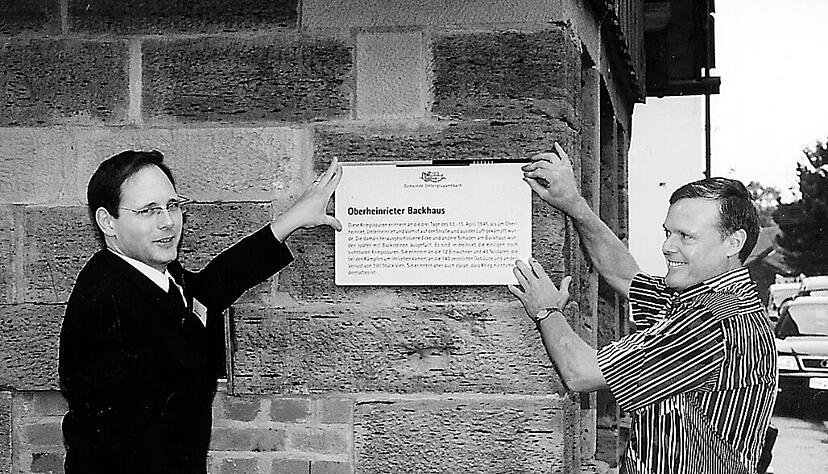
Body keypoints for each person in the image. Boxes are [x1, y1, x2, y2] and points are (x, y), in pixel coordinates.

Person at [58, 150, 342, 473]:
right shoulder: (104, 303)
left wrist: (289, 221)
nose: (167, 222)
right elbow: (131, 448)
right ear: (107, 222)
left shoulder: (151, 273)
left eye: (172, 206)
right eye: (148, 211)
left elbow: (208, 290)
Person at [508, 143, 777, 474]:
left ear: (733, 243)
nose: (667, 246)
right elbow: (623, 274)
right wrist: (574, 204)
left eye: (685, 236)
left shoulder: (710, 323)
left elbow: (580, 372)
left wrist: (547, 311)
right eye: (668, 232)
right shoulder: (712, 298)